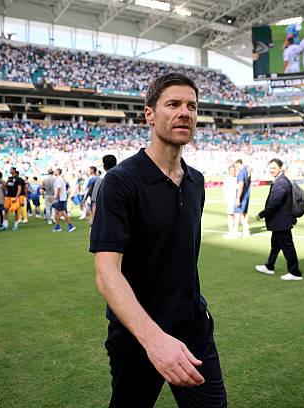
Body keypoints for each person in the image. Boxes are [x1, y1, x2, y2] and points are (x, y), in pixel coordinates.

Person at [90, 72, 227, 407]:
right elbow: (107, 273)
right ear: (149, 114)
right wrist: (154, 340)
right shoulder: (120, 182)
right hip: (137, 336)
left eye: (192, 106)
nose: (185, 113)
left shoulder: (196, 181)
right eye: (173, 104)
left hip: (193, 330)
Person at [255, 159, 302, 281]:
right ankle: (269, 266)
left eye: (274, 168)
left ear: (280, 168)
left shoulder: (281, 182)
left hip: (281, 221)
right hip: (280, 221)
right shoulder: (281, 180)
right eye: (270, 168)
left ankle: (295, 272)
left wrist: (262, 214)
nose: (271, 170)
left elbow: (275, 203)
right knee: (275, 246)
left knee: (287, 247)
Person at [90, 155, 117, 222]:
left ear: (104, 167)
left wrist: (94, 222)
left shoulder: (100, 181)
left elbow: (94, 202)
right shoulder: (124, 179)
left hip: (106, 218)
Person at [52, 168, 76, 233]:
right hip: (61, 198)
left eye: (55, 171)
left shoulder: (59, 179)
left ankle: (70, 225)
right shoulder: (59, 179)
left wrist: (56, 197)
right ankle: (57, 226)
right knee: (58, 212)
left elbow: (59, 189)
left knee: (62, 212)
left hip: (60, 198)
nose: (54, 172)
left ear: (58, 172)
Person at [233, 159, 251, 238]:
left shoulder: (241, 172)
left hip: (242, 196)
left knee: (237, 213)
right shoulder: (246, 171)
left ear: (237, 164)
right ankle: (246, 231)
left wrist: (238, 198)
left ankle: (235, 231)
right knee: (244, 213)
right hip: (246, 195)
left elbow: (241, 184)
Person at [2, 167, 24, 231]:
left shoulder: (18, 179)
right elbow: (6, 185)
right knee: (6, 209)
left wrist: (17, 197)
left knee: (16, 210)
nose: (10, 171)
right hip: (8, 196)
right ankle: (5, 224)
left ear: (14, 171)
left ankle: (16, 224)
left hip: (14, 196)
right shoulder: (9, 178)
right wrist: (1, 181)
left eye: (11, 170)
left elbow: (19, 188)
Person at [223, 164, 238, 238]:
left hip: (237, 200)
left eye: (234, 170)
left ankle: (235, 231)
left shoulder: (238, 178)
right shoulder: (227, 179)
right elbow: (225, 190)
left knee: (237, 215)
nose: (233, 172)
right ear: (229, 171)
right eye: (231, 170)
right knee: (230, 215)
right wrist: (225, 199)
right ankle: (230, 230)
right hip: (230, 200)